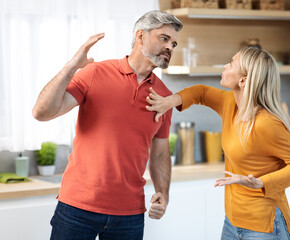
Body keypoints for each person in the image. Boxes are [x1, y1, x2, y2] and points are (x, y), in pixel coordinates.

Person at [32, 10, 183, 240]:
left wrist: (163, 192)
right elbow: (42, 112)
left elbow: (161, 152)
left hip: (129, 215)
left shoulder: (164, 96)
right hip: (77, 208)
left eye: (173, 43)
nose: (170, 47)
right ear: (140, 36)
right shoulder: (95, 73)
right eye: (164, 38)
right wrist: (72, 66)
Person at [146, 46, 290, 240]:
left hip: (263, 225)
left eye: (231, 64)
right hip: (232, 221)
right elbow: (201, 92)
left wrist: (261, 182)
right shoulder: (230, 103)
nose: (225, 66)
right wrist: (169, 102)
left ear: (243, 80)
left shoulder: (266, 123)